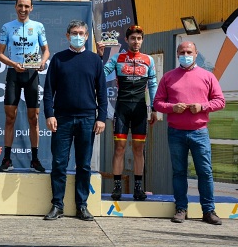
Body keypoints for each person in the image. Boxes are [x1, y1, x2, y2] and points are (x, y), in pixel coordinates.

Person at [154, 41, 225, 225]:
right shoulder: (168, 77)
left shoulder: (207, 76)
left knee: (205, 172)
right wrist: (172, 108)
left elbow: (220, 101)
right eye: (182, 52)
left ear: (196, 53)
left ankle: (208, 211)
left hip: (199, 132)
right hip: (176, 132)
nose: (186, 55)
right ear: (177, 54)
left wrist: (202, 106)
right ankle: (181, 209)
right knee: (179, 172)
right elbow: (157, 103)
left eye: (189, 52)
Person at [43, 20, 108, 221]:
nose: (77, 36)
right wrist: (49, 114)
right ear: (67, 35)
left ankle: (81, 206)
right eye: (74, 32)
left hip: (88, 119)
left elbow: (102, 93)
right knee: (59, 164)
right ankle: (57, 205)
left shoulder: (95, 60)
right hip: (62, 119)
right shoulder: (58, 59)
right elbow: (48, 91)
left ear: (87, 36)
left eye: (81, 33)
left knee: (84, 165)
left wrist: (101, 118)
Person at [97, 25, 157, 201]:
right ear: (127, 40)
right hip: (122, 109)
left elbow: (153, 85)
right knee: (119, 149)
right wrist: (101, 56)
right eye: (133, 38)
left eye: (139, 39)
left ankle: (138, 188)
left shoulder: (148, 60)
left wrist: (154, 108)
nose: (136, 42)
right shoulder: (118, 58)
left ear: (142, 40)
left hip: (139, 109)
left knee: (139, 150)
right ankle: (117, 188)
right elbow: (102, 74)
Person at [0, 0, 50, 172]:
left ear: (31, 8)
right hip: (14, 74)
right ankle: (6, 159)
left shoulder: (39, 26)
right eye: (20, 5)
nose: (23, 9)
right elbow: (0, 54)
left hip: (32, 75)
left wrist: (42, 62)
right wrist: (13, 64)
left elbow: (46, 51)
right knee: (10, 118)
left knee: (33, 119)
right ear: (15, 7)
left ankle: (35, 159)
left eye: (27, 6)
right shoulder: (7, 27)